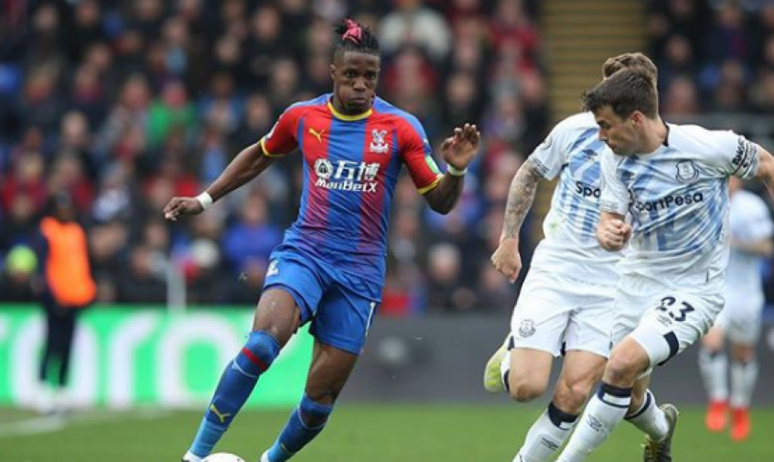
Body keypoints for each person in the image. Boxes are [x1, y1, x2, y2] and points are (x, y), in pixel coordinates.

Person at [164, 19, 480, 462]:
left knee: (317, 405)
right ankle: (195, 457)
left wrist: (457, 170)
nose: (360, 84)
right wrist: (204, 198)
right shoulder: (303, 117)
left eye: (369, 76)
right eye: (351, 74)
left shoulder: (400, 127)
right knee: (261, 344)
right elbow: (260, 154)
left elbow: (441, 204)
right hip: (306, 252)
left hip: (360, 272)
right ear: (333, 72)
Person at [554, 69, 774, 462]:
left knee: (619, 366)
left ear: (636, 119)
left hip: (694, 288)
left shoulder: (710, 147)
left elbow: (768, 166)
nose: (601, 136)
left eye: (606, 126)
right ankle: (661, 430)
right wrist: (609, 232)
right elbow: (609, 218)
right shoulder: (614, 161)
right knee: (632, 396)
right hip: (635, 281)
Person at [483, 53, 659, 462]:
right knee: (525, 388)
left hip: (612, 282)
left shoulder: (662, 152)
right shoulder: (574, 132)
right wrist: (509, 239)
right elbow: (529, 173)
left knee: (576, 390)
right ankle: (513, 351)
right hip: (558, 266)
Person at [698, 176, 773, 441]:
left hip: (746, 291)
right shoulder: (703, 201)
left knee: (742, 354)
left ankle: (740, 407)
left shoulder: (752, 207)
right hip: (715, 290)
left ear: (738, 180)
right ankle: (718, 400)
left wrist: (737, 243)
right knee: (712, 343)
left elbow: (766, 247)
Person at [37, 192, 96, 413]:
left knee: (67, 346)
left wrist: (87, 290)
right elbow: (44, 267)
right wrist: (52, 295)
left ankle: (62, 391)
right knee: (52, 343)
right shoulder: (47, 230)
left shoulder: (76, 231)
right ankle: (43, 390)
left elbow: (80, 264)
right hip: (55, 297)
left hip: (74, 297)